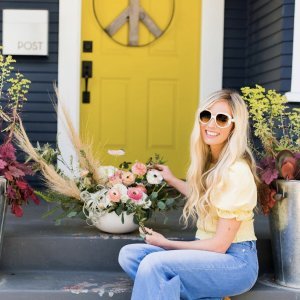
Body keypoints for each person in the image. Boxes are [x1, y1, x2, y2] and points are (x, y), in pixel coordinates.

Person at [118, 90, 259, 300]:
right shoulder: (212, 162)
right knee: (130, 256)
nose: (211, 124)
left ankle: (205, 292)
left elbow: (220, 246)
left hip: (235, 262)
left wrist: (166, 243)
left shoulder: (235, 171)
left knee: (154, 264)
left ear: (233, 127)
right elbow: (206, 196)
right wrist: (173, 180)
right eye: (206, 115)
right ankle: (205, 294)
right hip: (207, 257)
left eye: (222, 119)